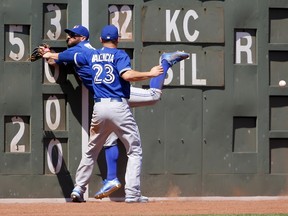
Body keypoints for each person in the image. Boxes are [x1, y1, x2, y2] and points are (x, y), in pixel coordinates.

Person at [42, 24, 189, 202]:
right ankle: (132, 193)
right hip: (118, 101)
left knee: (92, 150)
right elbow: (127, 76)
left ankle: (79, 188)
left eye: (73, 35)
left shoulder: (90, 55)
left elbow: (59, 57)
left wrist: (47, 54)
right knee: (136, 146)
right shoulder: (116, 54)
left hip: (99, 106)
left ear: (100, 40)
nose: (69, 37)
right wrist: (150, 73)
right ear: (117, 40)